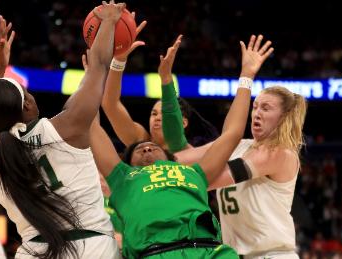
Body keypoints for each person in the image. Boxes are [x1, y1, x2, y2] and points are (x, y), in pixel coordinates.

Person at [90, 35, 273, 259]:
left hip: (211, 250)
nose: (146, 148)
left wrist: (246, 76)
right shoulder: (127, 170)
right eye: (152, 113)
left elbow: (231, 133)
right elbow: (96, 121)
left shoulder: (190, 163)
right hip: (158, 251)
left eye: (163, 113)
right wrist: (100, 72)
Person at [0, 5, 124, 259]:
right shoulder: (65, 128)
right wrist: (109, 20)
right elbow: (98, 64)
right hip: (92, 248)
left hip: (33, 252)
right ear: (29, 104)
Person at [176, 35, 307, 259]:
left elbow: (210, 179)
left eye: (266, 108)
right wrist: (146, 165)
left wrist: (161, 182)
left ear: (284, 117)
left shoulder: (280, 153)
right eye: (255, 107)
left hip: (272, 255)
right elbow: (180, 158)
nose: (256, 113)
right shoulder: (241, 145)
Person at [98, 28, 218, 153]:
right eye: (154, 114)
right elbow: (109, 104)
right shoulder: (141, 140)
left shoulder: (193, 155)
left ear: (183, 123)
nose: (157, 118)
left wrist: (166, 78)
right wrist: (119, 60)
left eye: (164, 114)